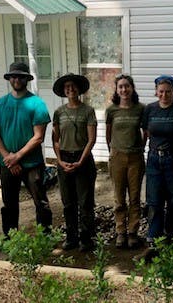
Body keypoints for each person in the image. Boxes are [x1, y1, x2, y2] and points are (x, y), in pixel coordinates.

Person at [0, 62, 53, 237]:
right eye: (13, 76)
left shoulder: (37, 104)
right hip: (7, 164)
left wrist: (17, 156)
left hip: (32, 163)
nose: (17, 79)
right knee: (9, 204)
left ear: (27, 79)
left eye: (20, 76)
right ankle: (11, 238)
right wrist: (9, 157)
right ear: (9, 79)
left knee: (41, 202)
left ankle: (45, 237)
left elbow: (38, 137)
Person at [138, 75, 173, 260]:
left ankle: (170, 242)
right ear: (156, 91)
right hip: (154, 160)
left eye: (168, 91)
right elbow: (146, 132)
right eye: (161, 91)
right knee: (154, 202)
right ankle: (154, 245)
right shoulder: (150, 109)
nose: (164, 95)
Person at [52, 73, 98, 252]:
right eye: (67, 87)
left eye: (73, 86)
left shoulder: (88, 111)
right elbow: (56, 139)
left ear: (79, 89)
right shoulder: (59, 113)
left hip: (83, 159)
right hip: (64, 159)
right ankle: (71, 237)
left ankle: (87, 239)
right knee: (68, 201)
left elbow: (91, 139)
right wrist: (60, 160)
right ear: (64, 91)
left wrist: (80, 160)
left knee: (85, 201)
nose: (70, 89)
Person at [105, 74, 145, 249]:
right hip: (117, 157)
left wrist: (140, 147)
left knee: (135, 197)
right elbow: (108, 134)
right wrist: (113, 151)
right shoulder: (112, 110)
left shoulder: (140, 109)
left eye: (127, 86)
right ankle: (120, 231)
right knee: (119, 198)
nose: (124, 90)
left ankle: (132, 232)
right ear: (116, 89)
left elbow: (146, 132)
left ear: (132, 88)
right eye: (120, 86)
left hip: (136, 158)